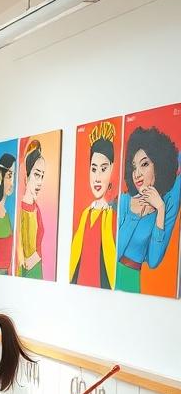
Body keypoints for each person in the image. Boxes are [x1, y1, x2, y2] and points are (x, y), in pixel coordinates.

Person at [115, 126, 181, 294]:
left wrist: (160, 209)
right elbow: (115, 251)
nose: (137, 173)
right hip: (109, 275)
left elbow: (153, 261)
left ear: (157, 166)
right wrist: (135, 215)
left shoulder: (162, 210)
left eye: (144, 164)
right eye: (134, 166)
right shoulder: (123, 202)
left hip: (131, 281)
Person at [70, 122, 119, 289]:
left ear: (112, 169)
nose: (97, 177)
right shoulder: (85, 214)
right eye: (93, 169)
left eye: (103, 169)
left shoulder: (112, 215)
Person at [17, 140, 47, 279]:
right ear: (27, 175)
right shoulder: (19, 210)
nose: (40, 182)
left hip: (37, 269)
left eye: (42, 176)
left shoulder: (37, 208)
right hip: (24, 272)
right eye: (36, 174)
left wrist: (36, 257)